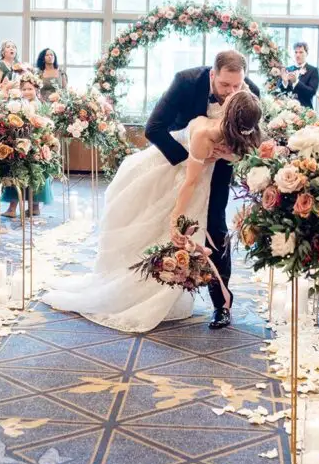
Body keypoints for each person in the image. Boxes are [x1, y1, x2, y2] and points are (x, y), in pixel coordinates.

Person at [45, 81, 262, 333]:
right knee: (153, 229)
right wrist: (176, 218)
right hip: (169, 174)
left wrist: (224, 155)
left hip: (195, 183)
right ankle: (136, 290)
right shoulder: (207, 133)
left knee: (180, 236)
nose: (230, 91)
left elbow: (200, 177)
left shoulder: (231, 129)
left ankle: (173, 293)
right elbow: (189, 181)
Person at [145, 50, 261, 329]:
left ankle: (222, 304)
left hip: (220, 169)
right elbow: (153, 128)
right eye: (224, 85)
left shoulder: (250, 94)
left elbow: (253, 141)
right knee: (162, 222)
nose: (231, 92)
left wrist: (227, 154)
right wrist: (194, 157)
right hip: (178, 160)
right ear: (212, 75)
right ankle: (153, 296)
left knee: (215, 228)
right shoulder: (185, 82)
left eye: (237, 85)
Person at [2, 72, 53, 218]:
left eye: (30, 89)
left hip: (35, 141)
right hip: (21, 140)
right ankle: (12, 207)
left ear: (36, 89)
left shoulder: (38, 104)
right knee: (16, 172)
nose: (26, 92)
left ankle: (34, 206)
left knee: (34, 173)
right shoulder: (19, 103)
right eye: (23, 89)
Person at [281, 41, 319, 109]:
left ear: (306, 53)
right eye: (296, 52)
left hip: (305, 110)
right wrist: (285, 82)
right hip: (287, 109)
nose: (298, 55)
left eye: (301, 52)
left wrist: (296, 82)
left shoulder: (313, 70)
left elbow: (311, 92)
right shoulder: (288, 69)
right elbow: (280, 92)